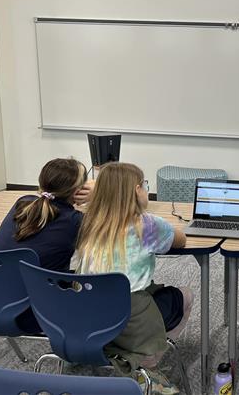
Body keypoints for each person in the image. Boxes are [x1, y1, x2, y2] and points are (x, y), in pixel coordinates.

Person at [75, 162, 193, 395]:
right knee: (185, 295)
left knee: (140, 292)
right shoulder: (146, 224)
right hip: (132, 316)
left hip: (88, 317)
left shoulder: (89, 222)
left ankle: (116, 349)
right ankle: (145, 358)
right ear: (137, 190)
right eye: (145, 185)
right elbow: (180, 240)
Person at [0, 157, 92, 333]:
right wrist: (99, 196)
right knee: (97, 278)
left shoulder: (22, 203)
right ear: (78, 191)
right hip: (38, 315)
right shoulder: (75, 221)